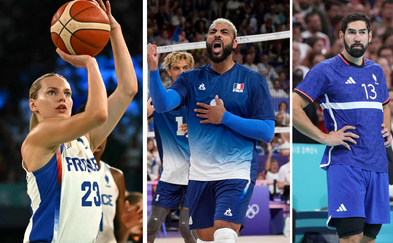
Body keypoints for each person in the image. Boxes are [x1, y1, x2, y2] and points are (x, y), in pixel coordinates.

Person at [148, 18, 275, 243]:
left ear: (234, 43)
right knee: (205, 239)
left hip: (236, 171)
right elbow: (162, 105)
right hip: (199, 175)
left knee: (225, 234)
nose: (217, 34)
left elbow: (267, 132)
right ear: (207, 41)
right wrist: (152, 71)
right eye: (212, 31)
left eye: (224, 32)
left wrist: (225, 117)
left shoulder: (253, 80)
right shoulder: (190, 78)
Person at [21, 1, 138, 242]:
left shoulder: (84, 140)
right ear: (33, 105)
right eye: (52, 92)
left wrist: (114, 31)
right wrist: (90, 62)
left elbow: (128, 89)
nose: (62, 98)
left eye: (67, 93)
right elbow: (98, 114)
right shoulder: (39, 137)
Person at [292, 12, 391, 243]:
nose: (357, 38)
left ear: (370, 36)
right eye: (352, 32)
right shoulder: (325, 69)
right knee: (351, 238)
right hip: (346, 164)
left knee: (368, 239)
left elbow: (385, 107)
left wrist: (386, 128)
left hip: (377, 164)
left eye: (362, 32)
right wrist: (325, 138)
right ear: (341, 36)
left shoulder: (376, 71)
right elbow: (294, 106)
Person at [146, 51, 197, 243]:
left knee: (186, 227)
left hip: (197, 174)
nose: (181, 72)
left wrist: (197, 126)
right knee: (151, 227)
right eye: (176, 68)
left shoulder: (201, 99)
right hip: (171, 175)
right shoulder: (159, 100)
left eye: (185, 68)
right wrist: (145, 113)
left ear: (191, 70)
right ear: (168, 72)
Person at [76, 105, 143, 243]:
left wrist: (126, 226)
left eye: (102, 130)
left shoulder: (116, 176)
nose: (98, 136)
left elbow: (119, 237)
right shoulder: (64, 171)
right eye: (90, 130)